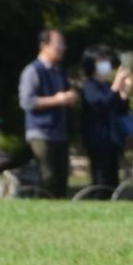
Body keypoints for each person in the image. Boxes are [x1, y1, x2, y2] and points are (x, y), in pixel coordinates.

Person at [19, 29, 78, 198]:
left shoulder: (60, 71)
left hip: (60, 133)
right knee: (47, 176)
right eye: (58, 44)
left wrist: (70, 98)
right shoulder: (33, 70)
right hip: (40, 132)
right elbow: (26, 102)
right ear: (44, 46)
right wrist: (57, 100)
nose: (62, 48)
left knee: (61, 178)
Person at [79, 45, 133, 191]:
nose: (106, 64)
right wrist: (117, 84)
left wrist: (125, 92)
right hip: (97, 140)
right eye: (101, 60)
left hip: (112, 140)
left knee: (112, 181)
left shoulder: (107, 86)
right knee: (100, 181)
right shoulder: (89, 86)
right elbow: (102, 103)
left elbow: (120, 110)